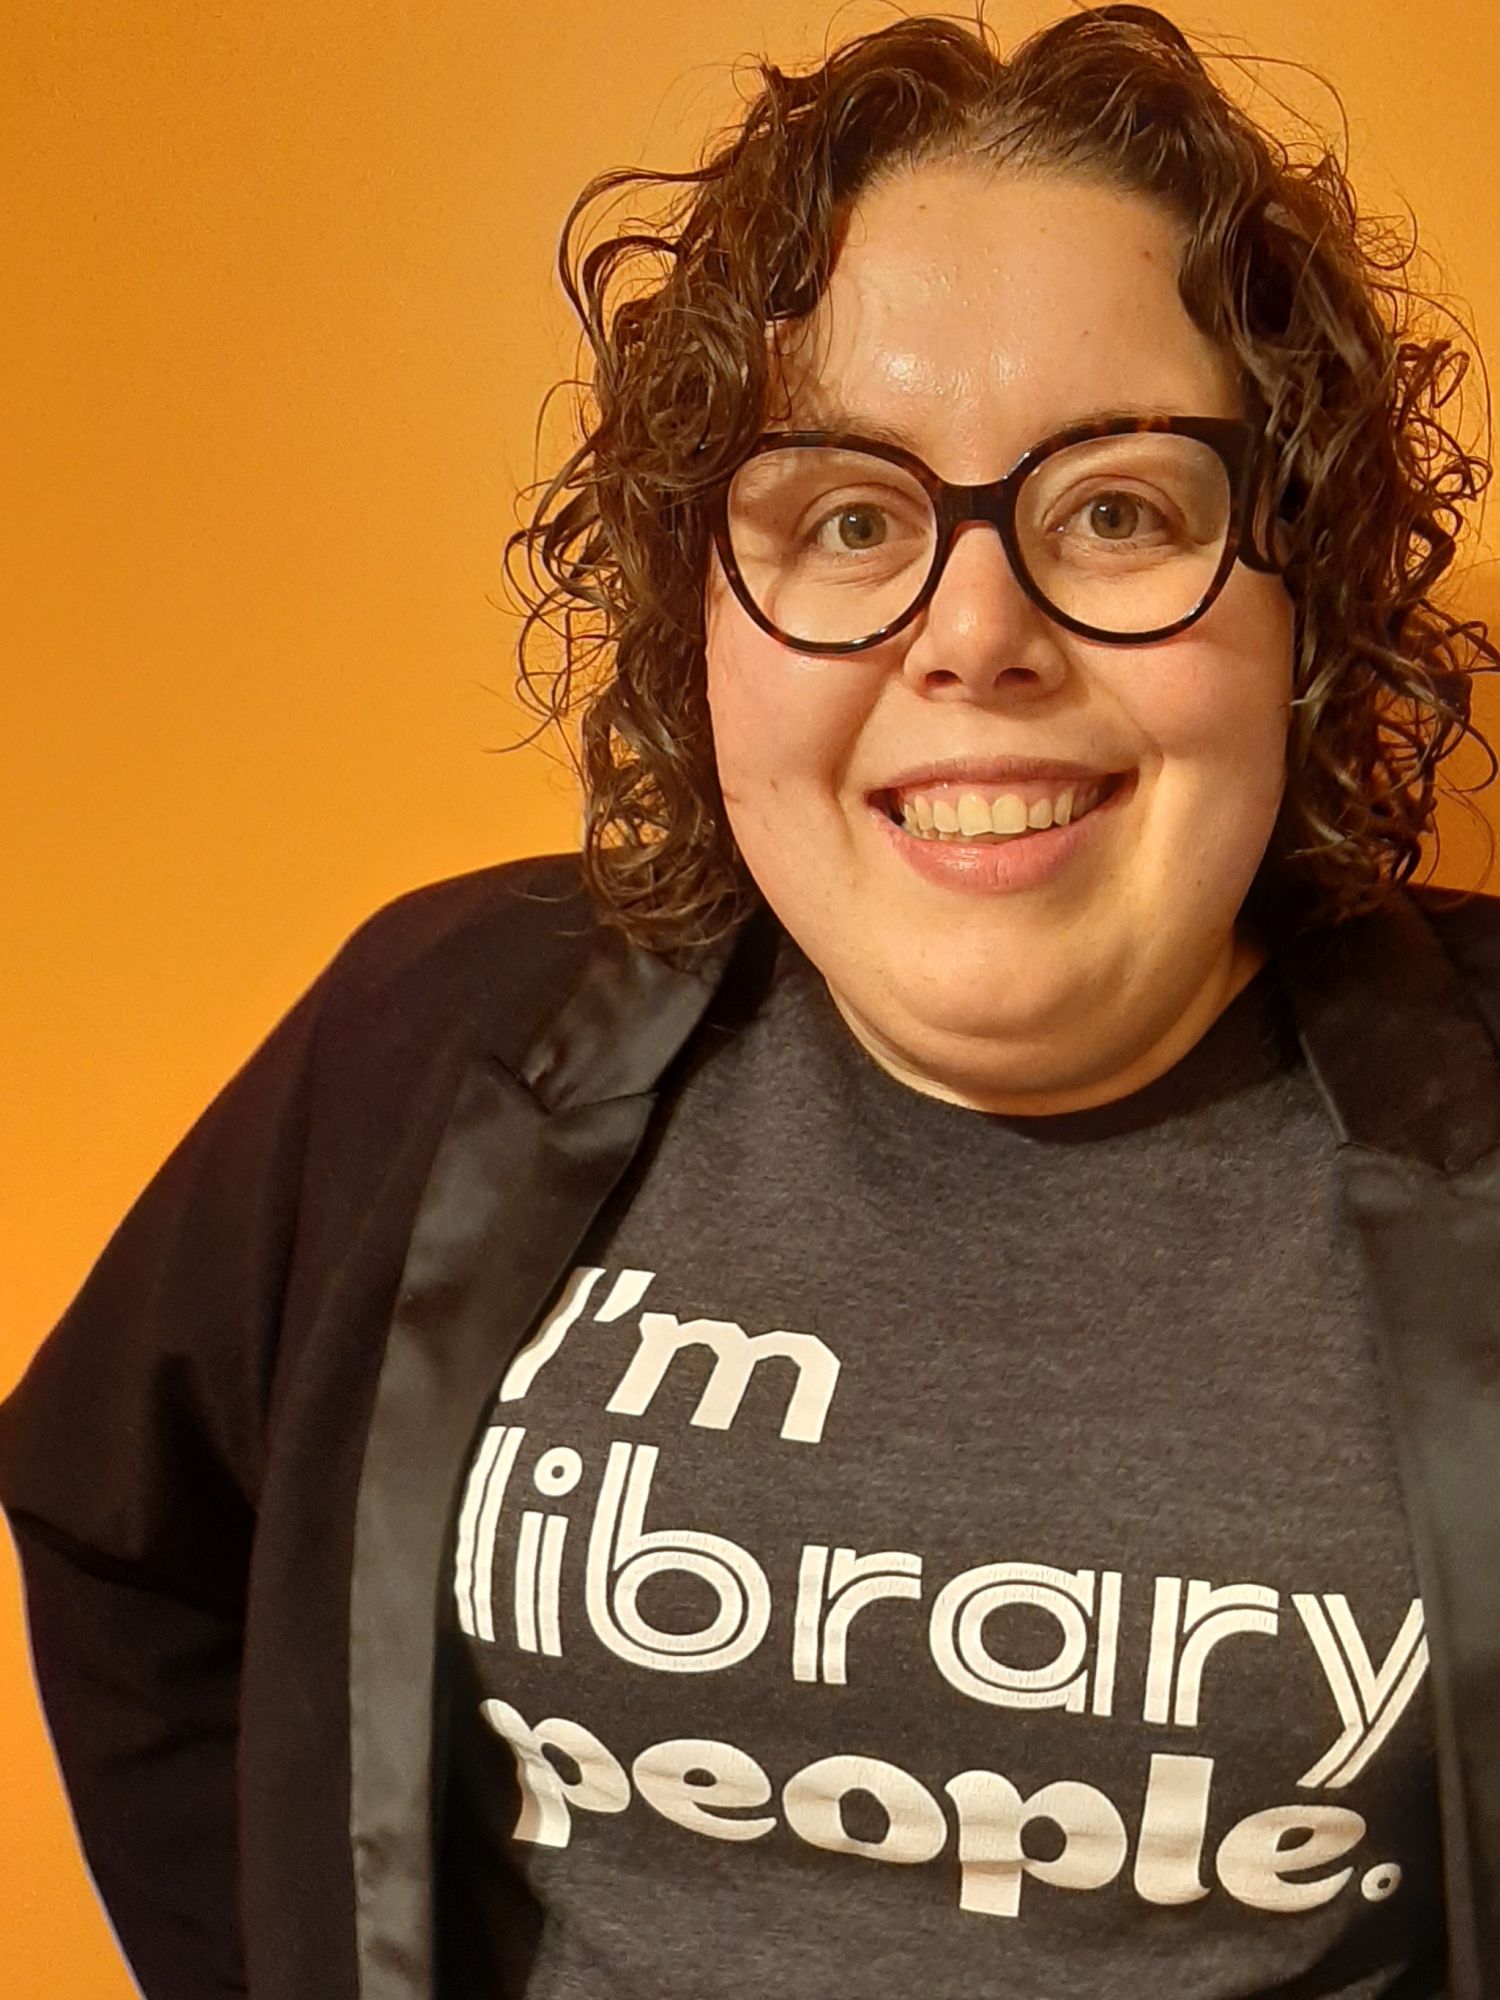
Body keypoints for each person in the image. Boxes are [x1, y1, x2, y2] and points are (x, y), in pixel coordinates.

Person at [4, 6, 1499, 1997]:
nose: (978, 634)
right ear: (703, 606)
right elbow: (124, 1527)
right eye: (852, 517)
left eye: (1124, 510)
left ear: (1297, 591)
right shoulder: (433, 1041)